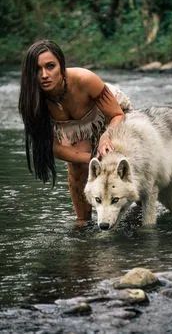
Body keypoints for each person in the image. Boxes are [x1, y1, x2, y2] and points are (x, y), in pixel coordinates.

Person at [18, 39, 131, 226]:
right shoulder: (33, 102)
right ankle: (83, 222)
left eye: (50, 66)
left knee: (122, 161)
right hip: (78, 131)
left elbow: (117, 115)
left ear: (61, 67)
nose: (44, 75)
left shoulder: (85, 80)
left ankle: (139, 205)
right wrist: (89, 158)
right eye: (37, 70)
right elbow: (52, 147)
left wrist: (105, 137)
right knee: (78, 167)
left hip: (112, 119)